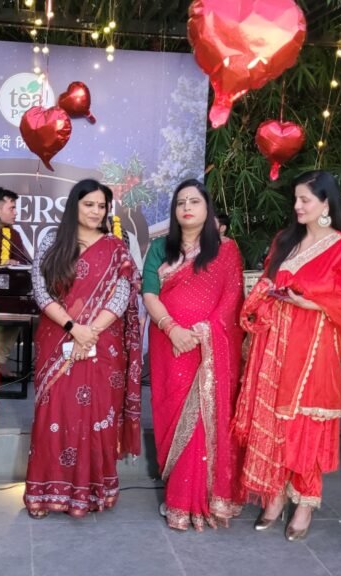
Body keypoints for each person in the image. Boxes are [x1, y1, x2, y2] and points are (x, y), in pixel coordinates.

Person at [233, 170, 341, 541]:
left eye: (305, 199)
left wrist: (314, 302)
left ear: (326, 203)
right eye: (295, 199)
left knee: (304, 424)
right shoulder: (285, 240)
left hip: (312, 348)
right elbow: (267, 281)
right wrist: (262, 294)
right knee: (273, 422)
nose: (297, 206)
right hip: (274, 344)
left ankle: (305, 504)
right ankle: (274, 497)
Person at [23, 179, 142, 518]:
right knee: (54, 413)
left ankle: (91, 493)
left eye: (101, 206)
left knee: (96, 416)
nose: (95, 211)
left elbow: (121, 294)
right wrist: (74, 329)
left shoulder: (116, 247)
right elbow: (41, 290)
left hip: (102, 345)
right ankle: (46, 493)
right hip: (57, 339)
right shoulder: (52, 241)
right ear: (74, 205)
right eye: (89, 204)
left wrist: (90, 333)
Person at [142, 179, 245, 531]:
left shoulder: (226, 251)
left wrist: (203, 333)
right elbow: (149, 293)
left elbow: (231, 299)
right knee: (172, 411)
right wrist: (172, 329)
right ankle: (179, 494)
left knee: (203, 418)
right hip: (168, 343)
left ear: (207, 208)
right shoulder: (161, 248)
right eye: (180, 202)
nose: (186, 207)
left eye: (194, 201)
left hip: (208, 346)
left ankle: (197, 499)